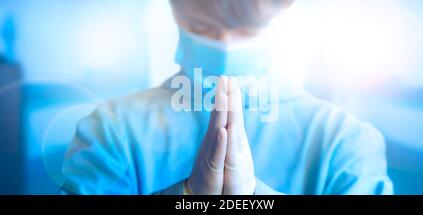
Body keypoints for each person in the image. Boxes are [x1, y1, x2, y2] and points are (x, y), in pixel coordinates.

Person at [61, 0, 393, 195]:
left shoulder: (343, 141)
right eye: (202, 27)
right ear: (175, 14)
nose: (225, 43)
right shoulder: (111, 130)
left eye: (248, 29)